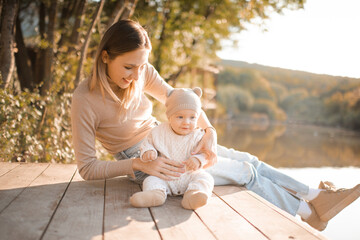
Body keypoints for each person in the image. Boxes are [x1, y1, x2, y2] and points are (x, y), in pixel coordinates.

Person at [71, 19, 360, 232]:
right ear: (105, 57)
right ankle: (308, 212)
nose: (136, 76)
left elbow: (180, 100)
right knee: (245, 172)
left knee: (250, 159)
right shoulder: (85, 99)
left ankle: (316, 197)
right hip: (153, 159)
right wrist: (138, 165)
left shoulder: (142, 71)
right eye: (128, 67)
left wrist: (208, 133)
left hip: (173, 136)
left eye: (141, 67)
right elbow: (87, 168)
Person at [130, 87, 214, 210]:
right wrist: (149, 151)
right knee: (151, 180)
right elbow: (148, 143)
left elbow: (206, 154)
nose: (186, 122)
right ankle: (155, 194)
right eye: (180, 117)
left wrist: (198, 160)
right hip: (165, 177)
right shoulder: (159, 131)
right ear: (169, 116)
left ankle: (193, 195)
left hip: (189, 175)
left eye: (192, 118)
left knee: (205, 178)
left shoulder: (199, 135)